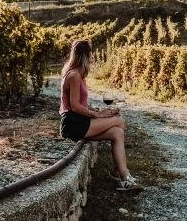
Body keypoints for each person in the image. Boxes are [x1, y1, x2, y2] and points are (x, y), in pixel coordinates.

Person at [59, 39, 140, 191]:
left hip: (79, 121)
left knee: (117, 132)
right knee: (119, 121)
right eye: (91, 54)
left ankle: (124, 178)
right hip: (72, 123)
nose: (93, 57)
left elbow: (80, 104)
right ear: (84, 55)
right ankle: (119, 171)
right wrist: (98, 115)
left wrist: (100, 112)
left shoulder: (79, 75)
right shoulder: (74, 76)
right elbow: (75, 107)